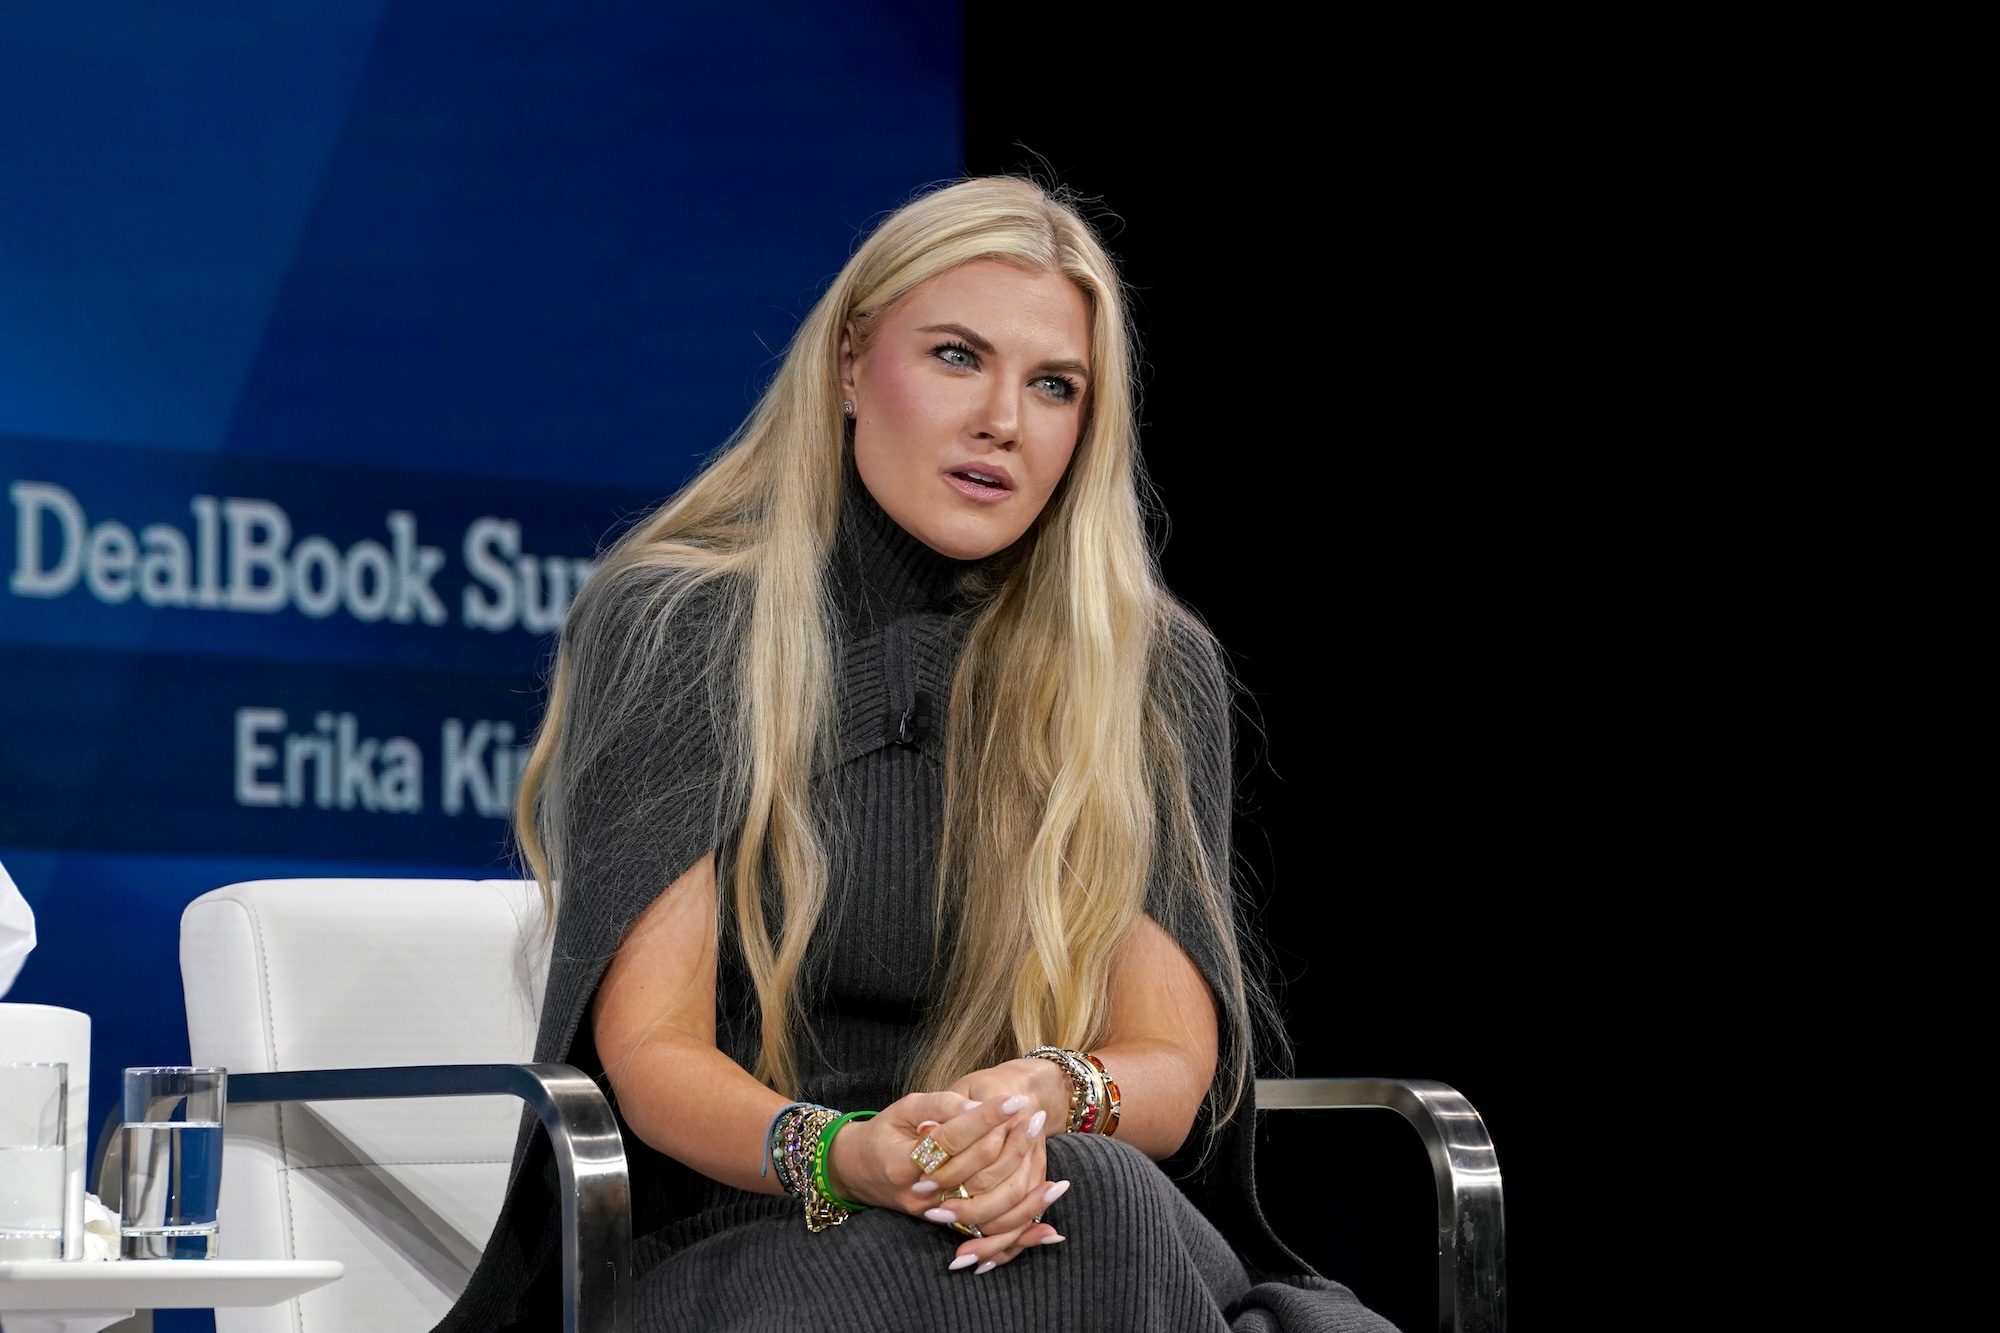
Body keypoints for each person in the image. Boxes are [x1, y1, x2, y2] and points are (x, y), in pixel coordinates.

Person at [435, 175, 1398, 1332]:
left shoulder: (1141, 664)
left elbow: (1167, 1061)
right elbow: (650, 1053)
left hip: (1054, 1203)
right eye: (956, 356)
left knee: (1090, 1198)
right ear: (850, 363)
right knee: (1096, 1220)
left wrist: (1042, 1097)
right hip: (753, 1228)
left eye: (1053, 385)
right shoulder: (685, 622)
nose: (1003, 419)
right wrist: (850, 1155)